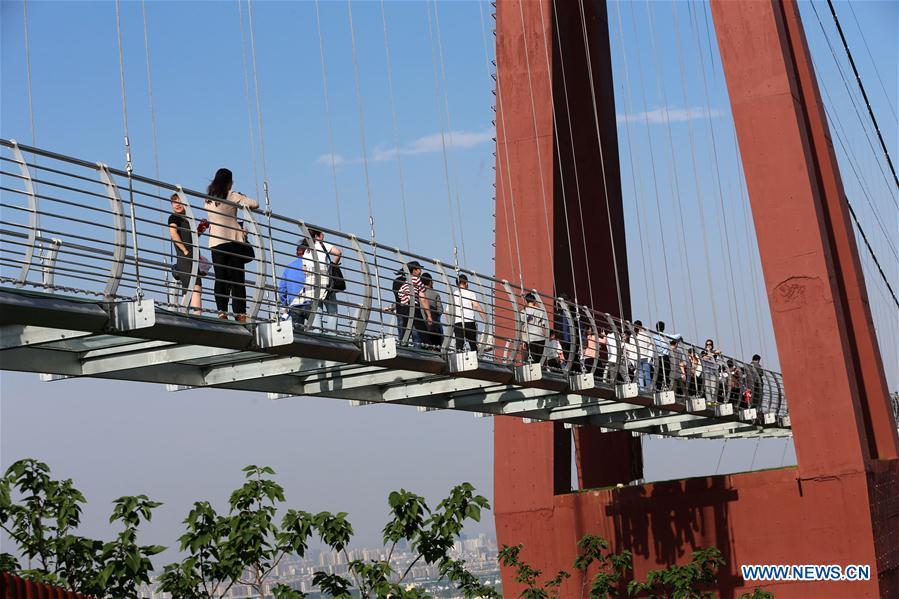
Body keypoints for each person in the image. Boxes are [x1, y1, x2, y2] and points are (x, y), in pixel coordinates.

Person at [205, 168, 259, 321]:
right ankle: (240, 313)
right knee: (237, 279)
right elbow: (255, 203)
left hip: (216, 242)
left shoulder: (208, 199)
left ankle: (222, 311)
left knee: (221, 278)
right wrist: (242, 196)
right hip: (234, 240)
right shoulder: (232, 195)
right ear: (229, 181)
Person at [168, 193, 208, 311]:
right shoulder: (174, 217)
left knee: (187, 289)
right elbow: (173, 234)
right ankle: (197, 315)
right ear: (171, 205)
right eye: (175, 202)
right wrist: (185, 250)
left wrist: (200, 229)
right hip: (185, 258)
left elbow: (191, 238)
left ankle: (183, 314)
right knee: (196, 287)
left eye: (180, 202)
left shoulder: (188, 220)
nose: (178, 204)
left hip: (191, 256)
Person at [308, 228, 342, 334]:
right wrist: (333, 264)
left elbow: (304, 269)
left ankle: (317, 332)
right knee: (332, 310)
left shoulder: (307, 249)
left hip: (311, 283)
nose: (323, 235)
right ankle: (331, 333)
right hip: (324, 282)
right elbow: (338, 252)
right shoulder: (322, 245)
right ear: (317, 236)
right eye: (322, 234)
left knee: (317, 309)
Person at [392, 261, 432, 345]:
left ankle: (403, 345)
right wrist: (429, 315)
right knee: (422, 329)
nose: (421, 271)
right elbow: (423, 298)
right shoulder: (416, 280)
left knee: (405, 330)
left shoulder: (404, 282)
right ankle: (430, 347)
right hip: (413, 306)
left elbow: (399, 293)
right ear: (414, 270)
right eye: (419, 269)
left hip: (403, 308)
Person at [277, 241, 312, 330]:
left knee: (298, 335)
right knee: (315, 333)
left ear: (297, 253)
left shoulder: (289, 268)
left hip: (294, 305)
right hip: (310, 304)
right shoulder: (313, 266)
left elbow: (281, 290)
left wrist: (286, 303)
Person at [451, 274, 486, 352]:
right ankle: (475, 360)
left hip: (458, 323)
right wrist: (485, 320)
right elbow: (477, 306)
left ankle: (459, 362)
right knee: (473, 345)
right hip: (469, 322)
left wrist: (452, 323)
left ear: (457, 284)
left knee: (459, 346)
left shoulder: (453, 295)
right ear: (466, 283)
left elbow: (447, 311)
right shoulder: (470, 293)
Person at [519, 292, 548, 364]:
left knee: (532, 361)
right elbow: (544, 325)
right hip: (540, 337)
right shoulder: (540, 311)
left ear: (526, 300)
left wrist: (523, 340)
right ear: (534, 301)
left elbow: (522, 327)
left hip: (529, 339)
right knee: (541, 360)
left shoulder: (523, 312)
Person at [420, 273, 444, 347]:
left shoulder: (418, 293)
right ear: (430, 282)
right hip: (434, 326)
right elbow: (440, 311)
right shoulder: (435, 294)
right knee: (437, 347)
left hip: (421, 325)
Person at [633, 320, 654, 389]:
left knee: (640, 375)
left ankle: (642, 388)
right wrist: (650, 356)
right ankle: (649, 388)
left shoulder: (633, 336)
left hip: (637, 358)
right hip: (645, 357)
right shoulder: (645, 335)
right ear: (641, 326)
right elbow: (650, 346)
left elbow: (632, 348)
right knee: (647, 374)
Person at [654, 321, 672, 390]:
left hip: (658, 357)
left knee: (659, 373)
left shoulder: (654, 337)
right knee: (667, 372)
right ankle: (666, 386)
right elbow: (676, 336)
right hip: (665, 357)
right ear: (663, 328)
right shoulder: (666, 336)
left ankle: (658, 388)